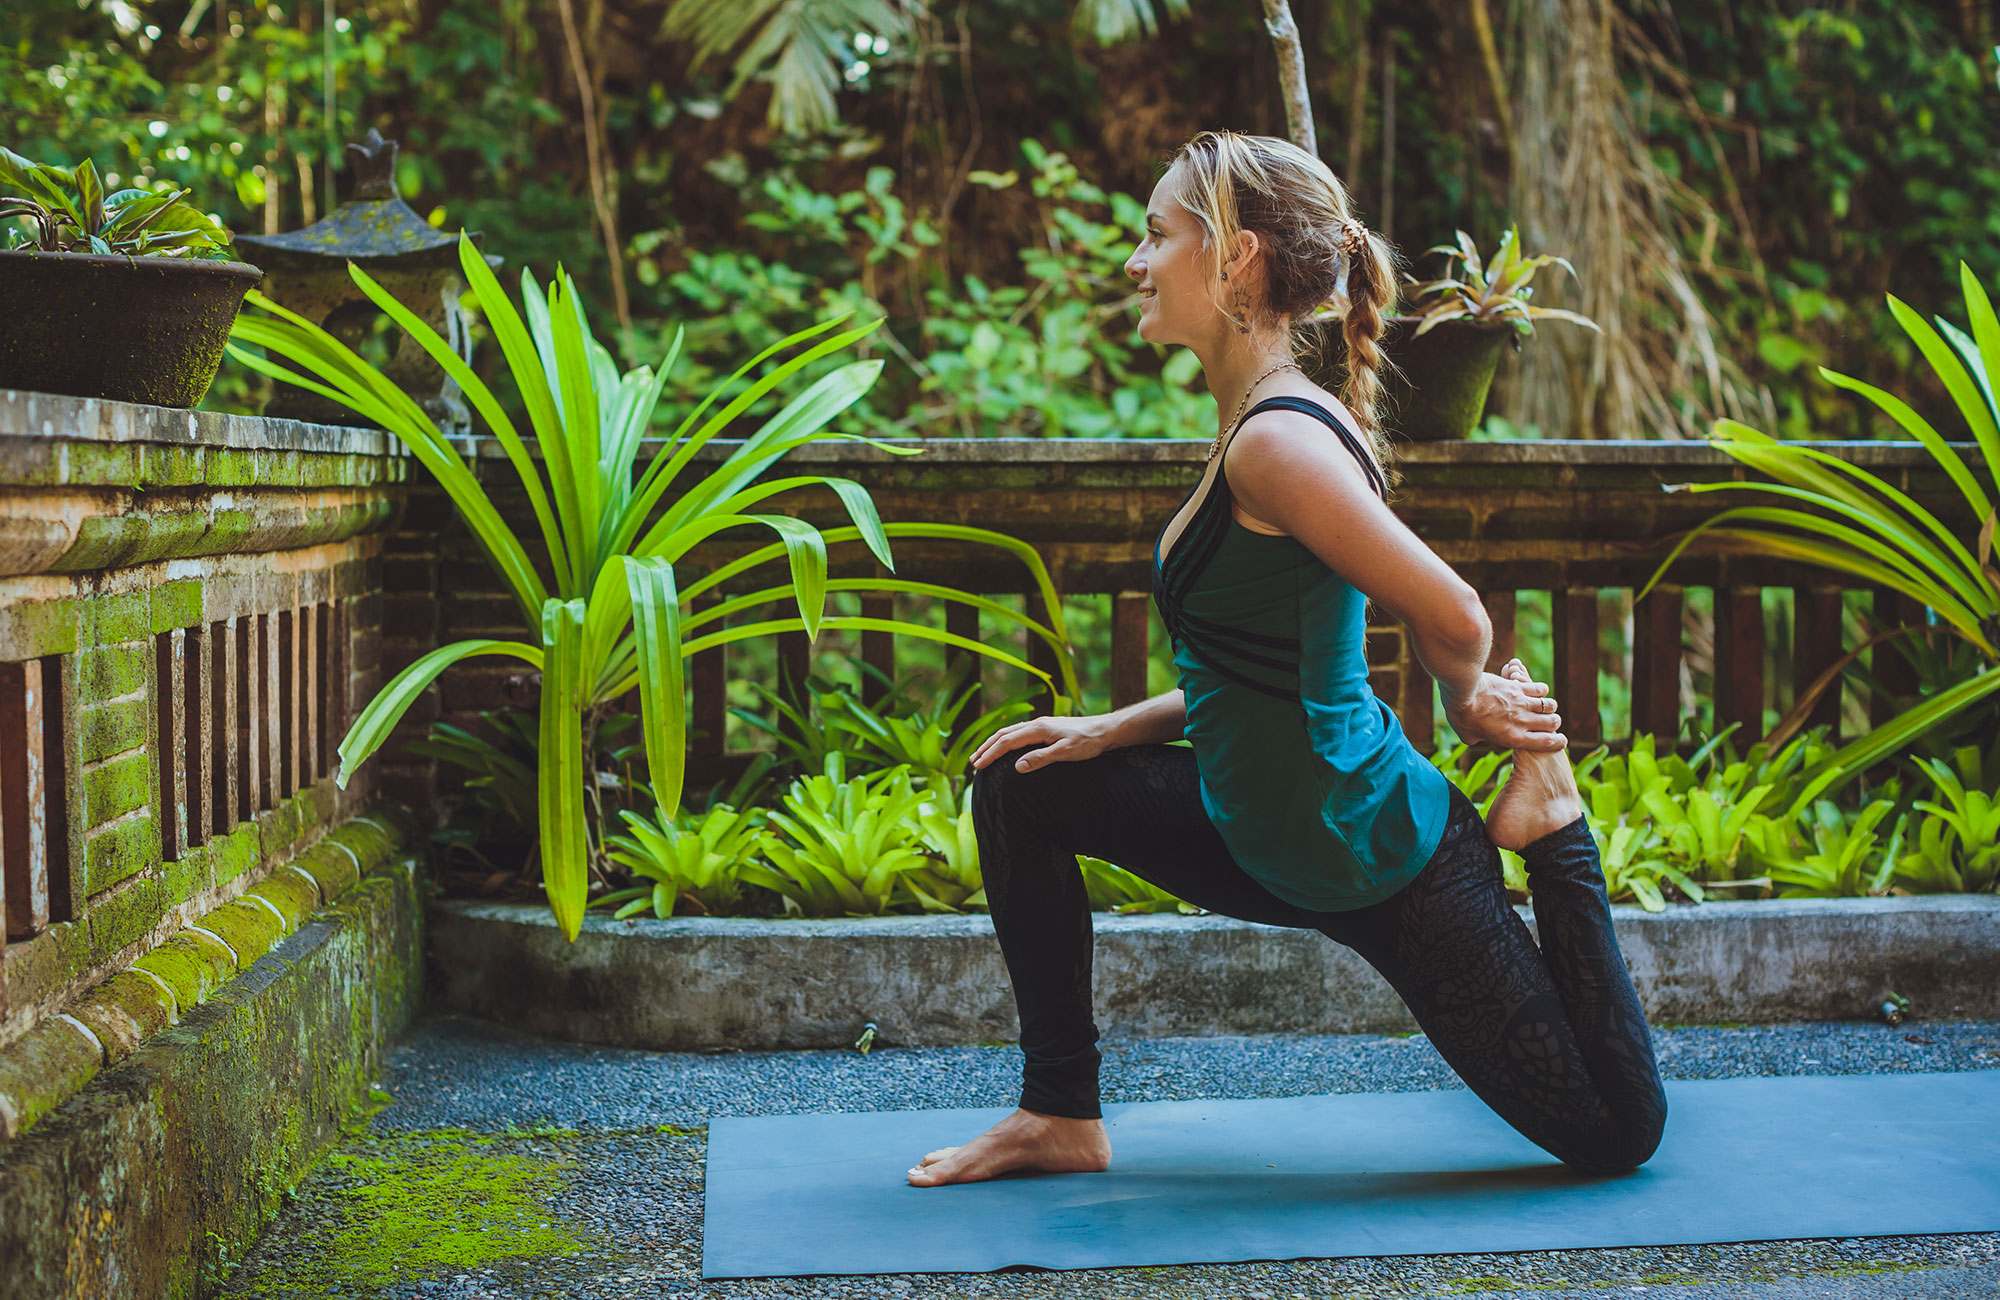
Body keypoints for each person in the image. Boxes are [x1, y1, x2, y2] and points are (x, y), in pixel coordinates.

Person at [907, 130, 1666, 1188]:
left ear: (1236, 260)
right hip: (1259, 829)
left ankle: (1549, 820)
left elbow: (1452, 613)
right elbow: (1254, 667)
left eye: (1156, 234)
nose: (1135, 261)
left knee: (1613, 1133)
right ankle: (1058, 1114)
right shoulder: (1245, 430)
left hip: (1377, 854)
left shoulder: (1276, 441)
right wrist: (1106, 729)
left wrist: (1462, 701)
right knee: (1019, 784)